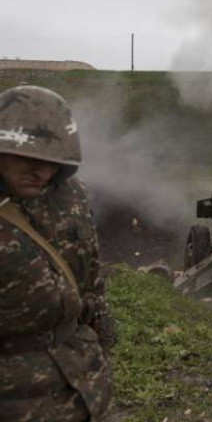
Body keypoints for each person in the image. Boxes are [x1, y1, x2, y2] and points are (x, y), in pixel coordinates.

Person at [0, 85, 114, 420]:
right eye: (29, 158)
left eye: (52, 161)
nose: (43, 172)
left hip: (85, 388)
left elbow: (91, 276)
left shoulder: (71, 195)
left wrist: (102, 343)